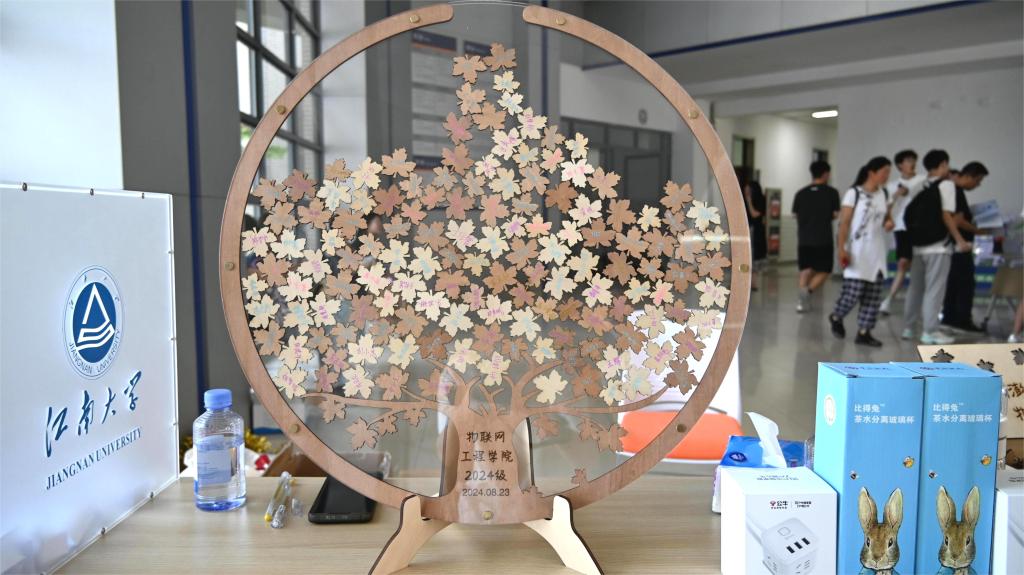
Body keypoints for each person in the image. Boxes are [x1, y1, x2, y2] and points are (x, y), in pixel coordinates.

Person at [901, 149, 972, 345]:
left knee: (915, 288)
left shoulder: (919, 185)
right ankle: (930, 331)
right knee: (935, 289)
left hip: (918, 246)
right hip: (939, 247)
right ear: (943, 165)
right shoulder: (946, 185)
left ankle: (908, 328)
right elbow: (946, 215)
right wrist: (959, 240)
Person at [828, 156, 894, 347]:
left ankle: (864, 332)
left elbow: (887, 218)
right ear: (872, 172)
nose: (887, 176)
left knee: (873, 294)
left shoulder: (885, 194)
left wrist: (889, 223)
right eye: (884, 172)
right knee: (853, 292)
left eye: (888, 172)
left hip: (877, 251)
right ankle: (837, 315)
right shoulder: (854, 193)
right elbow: (844, 223)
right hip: (857, 250)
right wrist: (841, 248)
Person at [941, 161, 989, 332]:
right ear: (969, 176)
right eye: (978, 180)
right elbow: (958, 221)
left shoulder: (953, 190)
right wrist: (977, 230)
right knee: (965, 284)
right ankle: (962, 320)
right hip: (959, 246)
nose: (978, 185)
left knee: (953, 283)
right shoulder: (957, 191)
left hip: (952, 246)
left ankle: (949, 317)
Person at [879, 150, 926, 315]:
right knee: (903, 262)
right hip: (902, 227)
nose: (912, 163)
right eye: (908, 160)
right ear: (900, 165)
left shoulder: (923, 180)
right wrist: (897, 195)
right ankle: (889, 300)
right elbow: (887, 208)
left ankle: (924, 303)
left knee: (921, 266)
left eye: (914, 160)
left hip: (921, 227)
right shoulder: (892, 185)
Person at [792, 160, 840, 312]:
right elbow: (835, 214)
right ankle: (807, 293)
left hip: (804, 239)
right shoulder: (832, 192)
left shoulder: (800, 193)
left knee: (805, 270)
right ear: (826, 174)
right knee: (825, 270)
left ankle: (800, 303)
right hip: (823, 239)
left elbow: (795, 214)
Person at [740, 169, 768, 291]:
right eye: (745, 190)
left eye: (748, 190)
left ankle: (753, 283)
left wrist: (749, 201)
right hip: (746, 231)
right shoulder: (743, 201)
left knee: (755, 256)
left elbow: (755, 214)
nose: (746, 192)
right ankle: (744, 281)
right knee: (745, 255)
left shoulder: (760, 200)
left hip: (756, 232)